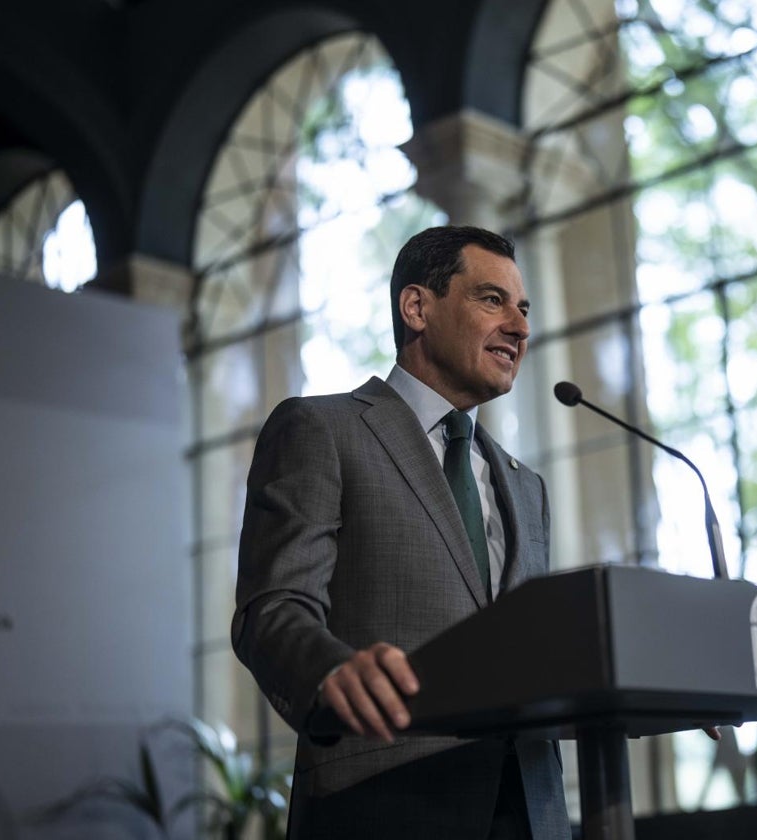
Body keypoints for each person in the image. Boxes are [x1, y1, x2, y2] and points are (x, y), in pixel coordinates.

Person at [232, 225, 570, 839]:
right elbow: (272, 609)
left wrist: (657, 680)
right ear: (417, 307)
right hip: (387, 802)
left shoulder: (528, 486)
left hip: (532, 810)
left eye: (523, 310)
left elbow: (533, 646)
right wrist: (330, 674)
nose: (520, 328)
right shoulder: (321, 430)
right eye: (492, 300)